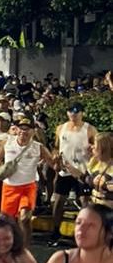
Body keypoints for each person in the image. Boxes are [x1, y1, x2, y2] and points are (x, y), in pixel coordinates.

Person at [0, 118, 55, 246]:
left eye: (27, 129)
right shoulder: (8, 143)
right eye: (21, 128)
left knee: (25, 218)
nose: (23, 131)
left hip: (28, 187)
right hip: (9, 187)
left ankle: (24, 249)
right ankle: (11, 245)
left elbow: (53, 164)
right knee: (9, 221)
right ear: (17, 129)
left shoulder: (38, 147)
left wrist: (58, 162)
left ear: (33, 131)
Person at [50, 102, 96, 246]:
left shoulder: (90, 129)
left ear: (82, 113)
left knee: (85, 203)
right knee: (58, 202)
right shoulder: (60, 128)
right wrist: (55, 159)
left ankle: (84, 234)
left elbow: (97, 149)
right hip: (65, 171)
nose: (73, 114)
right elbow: (56, 147)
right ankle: (55, 232)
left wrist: (92, 151)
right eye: (70, 111)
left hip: (82, 171)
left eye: (76, 112)